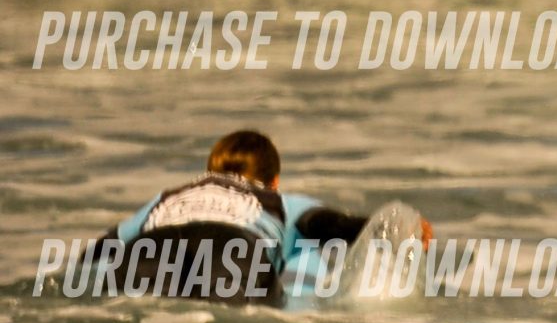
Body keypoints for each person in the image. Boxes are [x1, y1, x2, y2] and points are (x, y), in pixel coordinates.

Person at [81, 130, 399, 306]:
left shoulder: (169, 196)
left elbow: (102, 248)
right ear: (273, 182)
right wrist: (397, 228)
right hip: (233, 248)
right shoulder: (281, 201)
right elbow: (328, 226)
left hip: (150, 247)